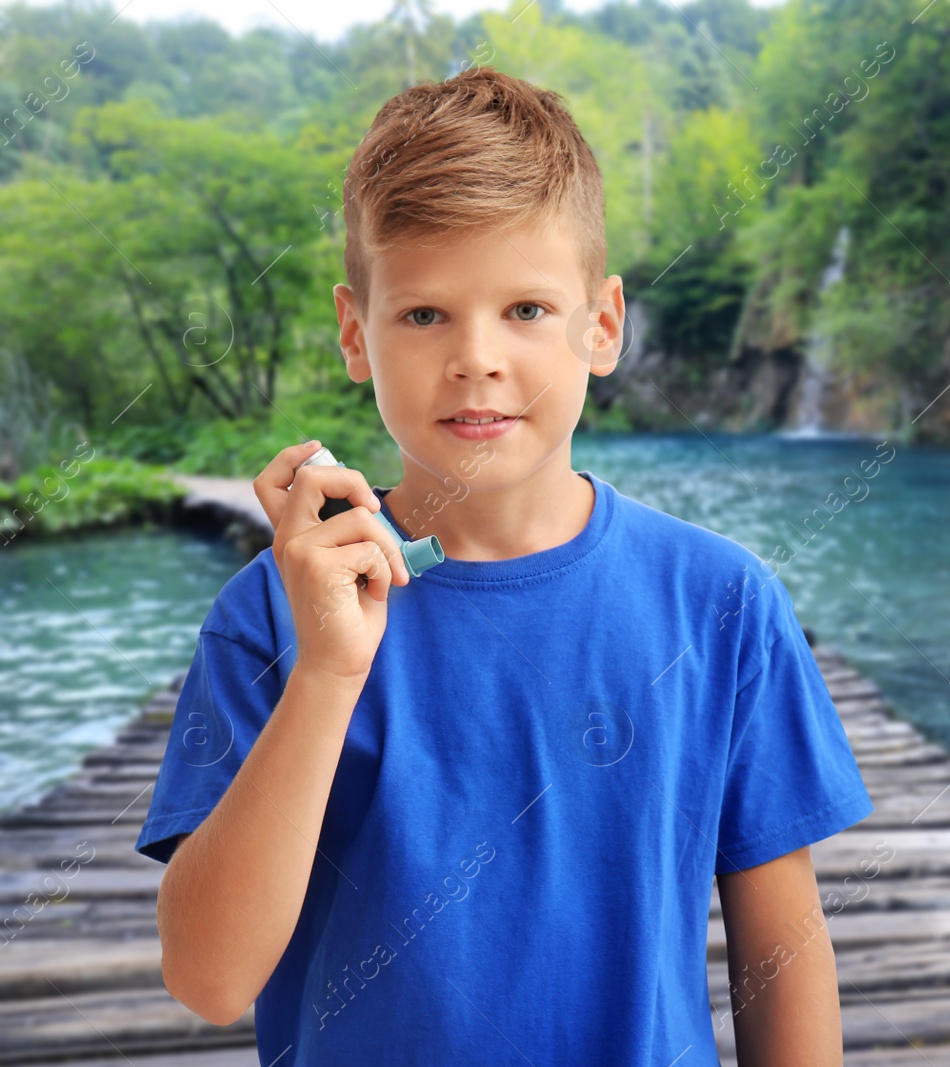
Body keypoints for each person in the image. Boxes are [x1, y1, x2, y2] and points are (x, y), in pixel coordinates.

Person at [135, 66, 873, 1066]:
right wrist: (326, 674)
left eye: (525, 308)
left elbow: (780, 953)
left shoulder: (721, 605)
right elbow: (208, 977)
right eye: (424, 314)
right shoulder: (271, 616)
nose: (476, 356)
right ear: (357, 332)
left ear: (601, 324)